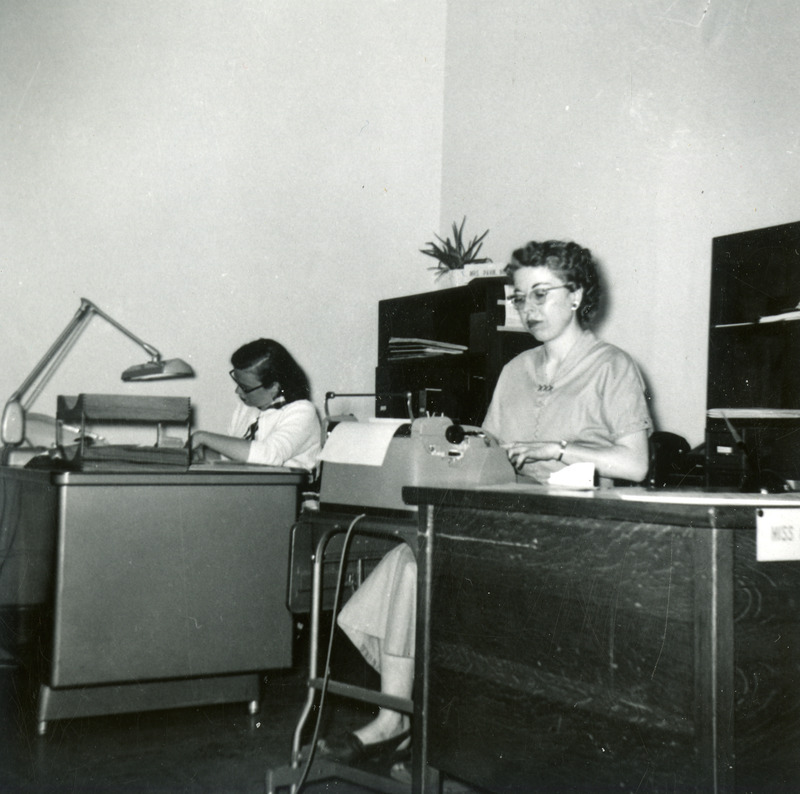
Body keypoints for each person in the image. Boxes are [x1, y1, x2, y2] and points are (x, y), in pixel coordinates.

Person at [318, 239, 652, 768]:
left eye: (542, 294)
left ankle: (425, 726)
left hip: (576, 529)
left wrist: (558, 449)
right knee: (409, 561)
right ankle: (395, 718)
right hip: (504, 517)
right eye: (520, 299)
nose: (530, 309)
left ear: (578, 294)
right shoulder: (516, 369)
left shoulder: (613, 367)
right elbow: (490, 450)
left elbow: (635, 464)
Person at [191, 338, 322, 471]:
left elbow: (269, 456)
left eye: (245, 387)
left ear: (273, 387)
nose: (237, 391)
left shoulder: (302, 411)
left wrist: (203, 437)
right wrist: (204, 456)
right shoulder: (246, 409)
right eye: (237, 383)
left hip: (287, 489)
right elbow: (238, 457)